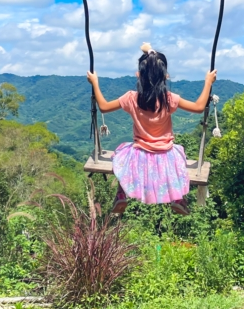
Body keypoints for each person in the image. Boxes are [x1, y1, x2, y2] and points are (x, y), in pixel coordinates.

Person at [86, 42, 216, 216]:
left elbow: (103, 106)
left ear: (138, 75)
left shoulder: (131, 98)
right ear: (166, 77)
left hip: (139, 155)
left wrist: (95, 82)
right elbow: (199, 107)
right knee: (178, 154)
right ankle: (178, 199)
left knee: (121, 152)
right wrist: (208, 82)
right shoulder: (169, 99)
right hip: (166, 155)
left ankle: (121, 194)